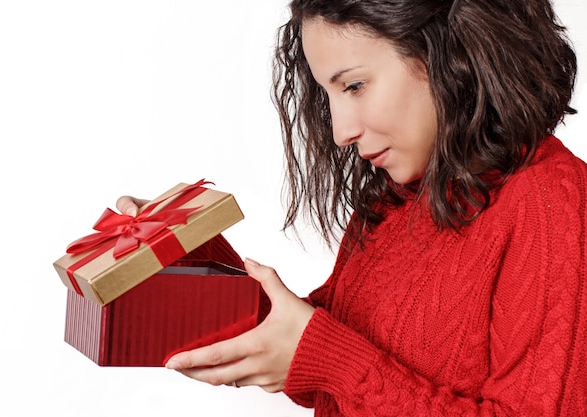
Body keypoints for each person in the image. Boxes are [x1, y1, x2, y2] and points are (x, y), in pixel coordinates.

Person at [117, 0, 587, 415]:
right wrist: (192, 258)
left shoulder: (549, 201)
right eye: (328, 93)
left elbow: (334, 361)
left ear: (450, 52)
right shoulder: (396, 198)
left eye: (355, 86)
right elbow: (321, 356)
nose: (341, 131)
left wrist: (329, 360)